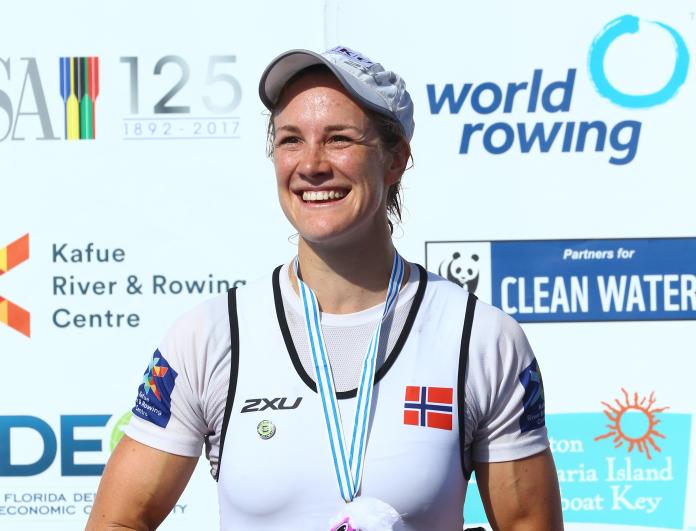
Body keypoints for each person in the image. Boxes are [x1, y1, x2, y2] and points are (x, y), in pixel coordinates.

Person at [86, 46, 563, 531]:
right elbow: (119, 520)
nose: (311, 165)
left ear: (395, 159)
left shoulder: (479, 337)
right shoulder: (212, 335)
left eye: (338, 139)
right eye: (291, 140)